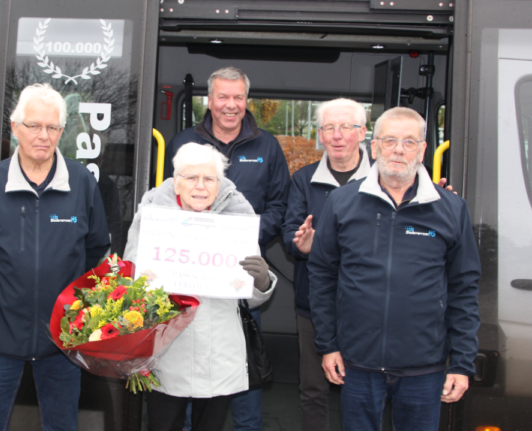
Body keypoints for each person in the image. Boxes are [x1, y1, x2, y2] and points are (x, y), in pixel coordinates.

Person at [308, 107, 481, 431]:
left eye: (409, 142)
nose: (399, 149)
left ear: (423, 150)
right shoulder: (342, 202)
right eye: (389, 141)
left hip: (424, 369)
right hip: (357, 364)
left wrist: (461, 363)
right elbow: (322, 275)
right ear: (373, 147)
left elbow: (464, 288)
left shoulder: (451, 209)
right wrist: (328, 344)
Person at [0, 83, 110, 431]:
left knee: (61, 426)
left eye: (52, 127)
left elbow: (94, 250)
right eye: (33, 126)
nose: (43, 135)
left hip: (61, 341)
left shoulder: (82, 183)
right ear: (15, 128)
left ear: (62, 131)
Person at [162, 67, 290, 430]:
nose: (230, 106)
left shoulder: (268, 145)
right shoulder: (184, 142)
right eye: (223, 97)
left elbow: (281, 206)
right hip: (187, 274)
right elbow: (167, 201)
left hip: (239, 274)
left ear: (246, 101)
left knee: (242, 360)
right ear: (209, 100)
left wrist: (242, 238)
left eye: (237, 97)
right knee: (184, 361)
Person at [124, 142, 277, 431]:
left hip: (219, 351)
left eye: (209, 179)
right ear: (176, 182)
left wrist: (262, 282)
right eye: (191, 177)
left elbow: (248, 297)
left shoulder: (238, 219)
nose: (200, 186)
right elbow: (131, 279)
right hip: (167, 351)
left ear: (219, 185)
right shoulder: (152, 216)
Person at [281, 98, 372, 431]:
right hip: (314, 305)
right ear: (320, 134)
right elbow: (292, 231)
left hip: (370, 306)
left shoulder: (384, 176)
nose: (337, 135)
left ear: (362, 132)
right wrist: (302, 245)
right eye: (329, 128)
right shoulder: (304, 179)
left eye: (346, 127)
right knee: (314, 388)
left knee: (366, 390)